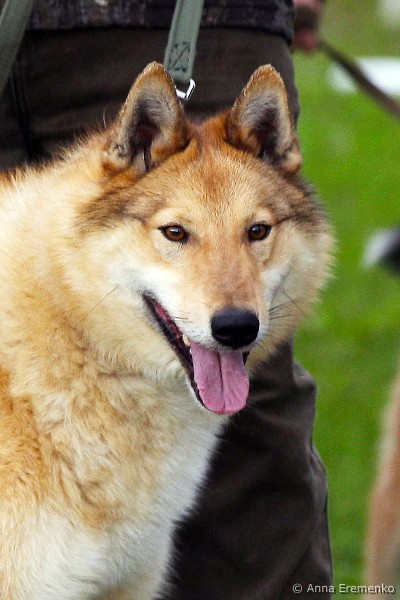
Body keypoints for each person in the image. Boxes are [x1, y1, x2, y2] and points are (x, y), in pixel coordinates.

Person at [0, 1, 332, 597]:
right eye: (177, 235)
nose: (232, 300)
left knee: (258, 430)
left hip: (199, 13)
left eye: (257, 232)